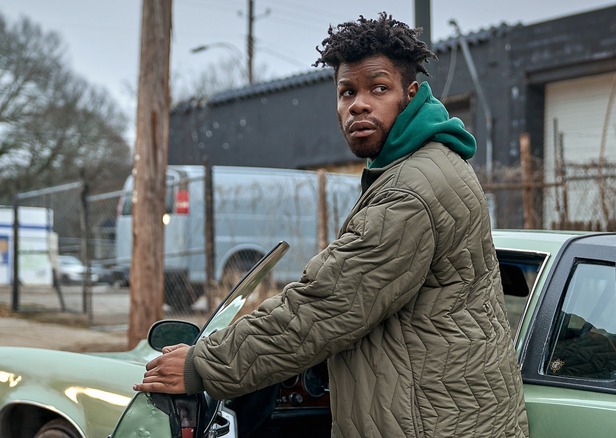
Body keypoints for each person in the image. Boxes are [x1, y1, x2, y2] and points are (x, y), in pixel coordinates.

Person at [135, 12, 529, 437]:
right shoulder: (430, 165)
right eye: (347, 91)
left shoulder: (409, 191)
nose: (358, 103)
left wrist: (202, 364)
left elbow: (325, 306)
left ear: (410, 95)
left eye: (379, 88)